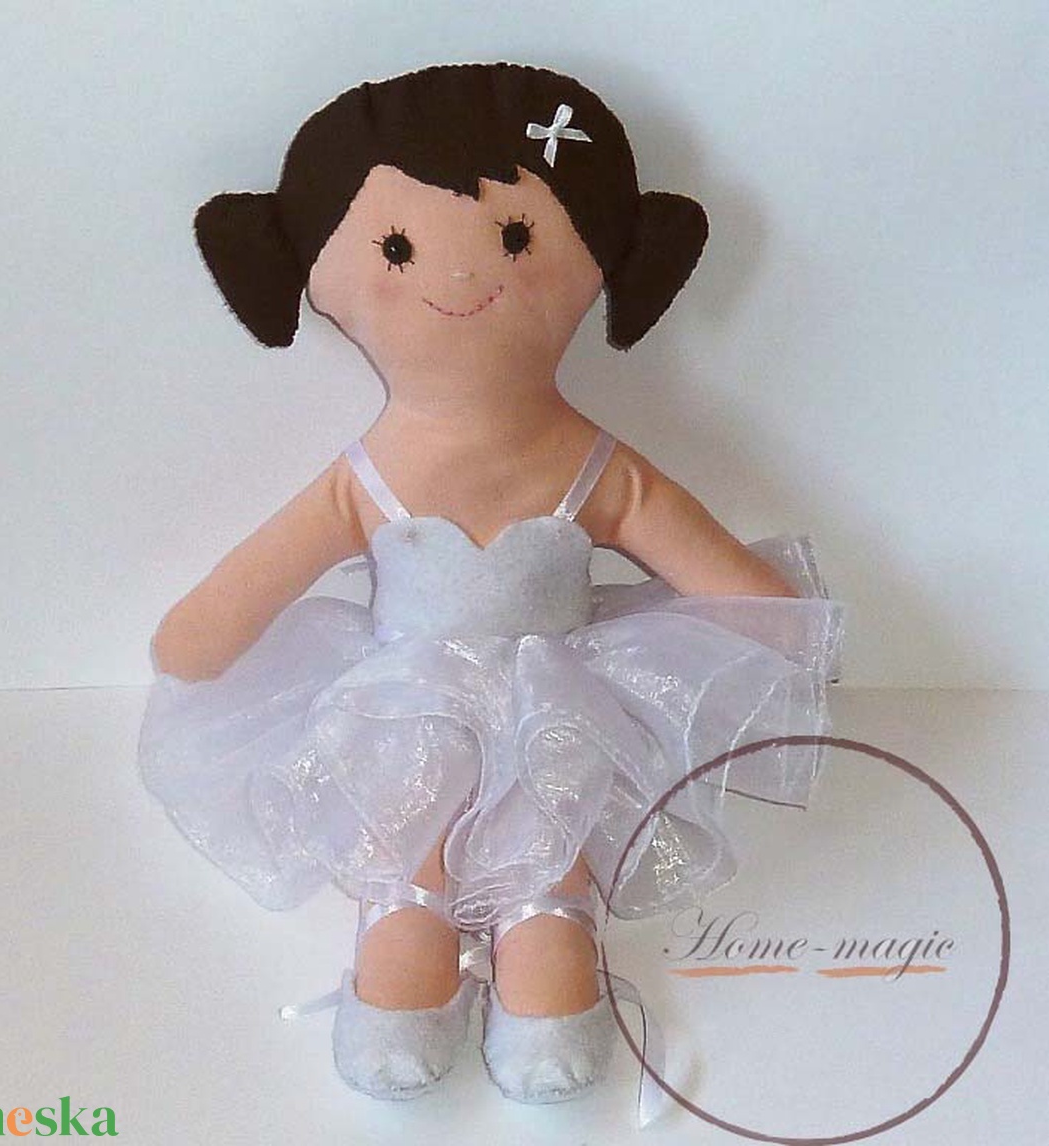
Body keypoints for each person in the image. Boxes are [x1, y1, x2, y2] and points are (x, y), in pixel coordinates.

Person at [139, 62, 844, 1111]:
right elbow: (240, 594)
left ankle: (547, 924)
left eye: (517, 237)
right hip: (400, 695)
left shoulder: (595, 464)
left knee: (552, 822)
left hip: (563, 690)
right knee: (410, 822)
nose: (463, 275)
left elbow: (707, 562)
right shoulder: (366, 477)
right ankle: (407, 914)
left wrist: (781, 626)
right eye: (395, 249)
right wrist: (198, 637)